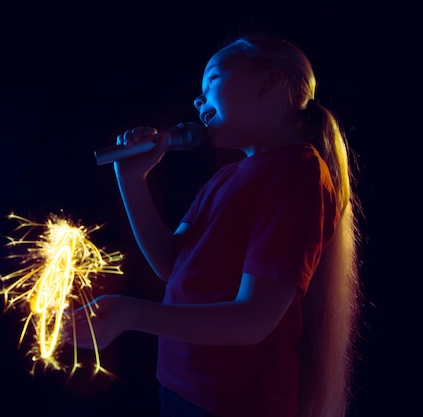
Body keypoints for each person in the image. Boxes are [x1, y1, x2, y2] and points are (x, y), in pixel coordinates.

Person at [69, 34, 362, 417]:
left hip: (236, 403)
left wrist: (131, 314)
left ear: (270, 82)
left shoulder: (298, 174)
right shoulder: (226, 177)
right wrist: (132, 180)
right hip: (181, 386)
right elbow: (171, 266)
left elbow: (253, 319)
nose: (198, 98)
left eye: (213, 79)